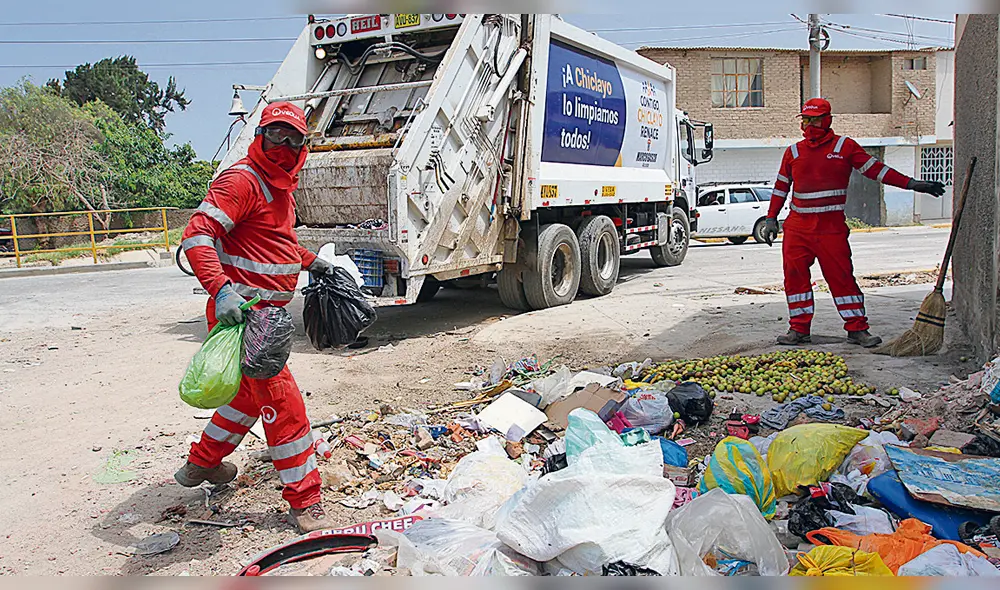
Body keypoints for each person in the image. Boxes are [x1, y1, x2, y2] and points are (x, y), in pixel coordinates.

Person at [173, 102, 336, 533]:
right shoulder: (242, 180)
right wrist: (221, 289)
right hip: (245, 315)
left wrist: (309, 261)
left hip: (266, 313)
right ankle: (305, 500)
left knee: (246, 398)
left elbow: (271, 245)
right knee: (284, 405)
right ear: (259, 137)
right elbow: (196, 236)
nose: (283, 146)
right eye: (275, 136)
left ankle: (201, 464)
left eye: (293, 138)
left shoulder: (278, 189)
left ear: (304, 145)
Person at [762, 98, 944, 348]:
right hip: (797, 228)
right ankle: (798, 329)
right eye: (805, 120)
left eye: (814, 120)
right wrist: (771, 218)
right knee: (795, 279)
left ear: (828, 121)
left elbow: (876, 170)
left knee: (842, 278)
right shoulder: (793, 152)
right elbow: (781, 187)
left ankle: (858, 329)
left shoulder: (845, 147)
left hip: (831, 229)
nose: (809, 125)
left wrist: (911, 184)